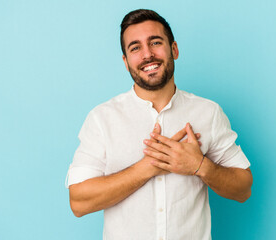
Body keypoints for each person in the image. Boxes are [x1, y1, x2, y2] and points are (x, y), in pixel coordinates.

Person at [66, 9, 253, 240]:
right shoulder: (102, 118)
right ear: (126, 62)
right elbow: (78, 202)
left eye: (155, 42)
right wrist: (149, 166)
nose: (147, 54)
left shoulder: (208, 112)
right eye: (135, 48)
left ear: (174, 49)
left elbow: (244, 189)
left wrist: (199, 165)